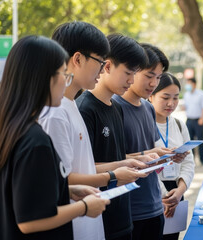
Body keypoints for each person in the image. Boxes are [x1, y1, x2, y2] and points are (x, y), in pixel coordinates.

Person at [0, 35, 109, 240]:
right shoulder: (35, 141)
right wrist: (84, 207)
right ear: (42, 78)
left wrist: (66, 191)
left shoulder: (4, 130)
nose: (66, 81)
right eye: (63, 74)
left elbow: (21, 192)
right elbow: (31, 221)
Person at [39, 22, 147, 240]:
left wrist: (121, 164)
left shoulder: (69, 104)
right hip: (74, 224)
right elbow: (60, 179)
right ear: (77, 59)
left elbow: (79, 167)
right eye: (100, 62)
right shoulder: (56, 112)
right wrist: (113, 176)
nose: (102, 69)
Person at [76, 33, 152, 240]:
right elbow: (83, 169)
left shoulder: (117, 108)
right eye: (128, 73)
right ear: (107, 66)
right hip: (97, 216)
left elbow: (115, 157)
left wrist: (137, 159)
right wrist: (119, 170)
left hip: (122, 214)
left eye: (135, 73)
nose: (132, 80)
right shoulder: (84, 109)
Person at [113, 43, 187, 240]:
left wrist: (169, 156)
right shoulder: (113, 107)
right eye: (149, 75)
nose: (154, 83)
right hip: (129, 209)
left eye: (158, 77)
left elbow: (152, 152)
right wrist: (150, 156)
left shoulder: (148, 109)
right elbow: (109, 161)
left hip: (154, 206)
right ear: (134, 70)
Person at [149, 72, 195, 240]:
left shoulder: (178, 124)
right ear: (151, 96)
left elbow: (189, 162)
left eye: (176, 98)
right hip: (154, 194)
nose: (171, 103)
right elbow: (146, 165)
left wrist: (179, 191)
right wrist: (165, 196)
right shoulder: (145, 124)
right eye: (165, 97)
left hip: (176, 191)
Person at [183, 77, 203, 165]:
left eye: (189, 83)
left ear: (194, 84)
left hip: (198, 120)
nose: (188, 85)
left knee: (200, 140)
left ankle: (202, 159)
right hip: (189, 120)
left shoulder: (201, 94)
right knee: (190, 141)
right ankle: (191, 160)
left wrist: (201, 118)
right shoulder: (186, 95)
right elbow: (185, 106)